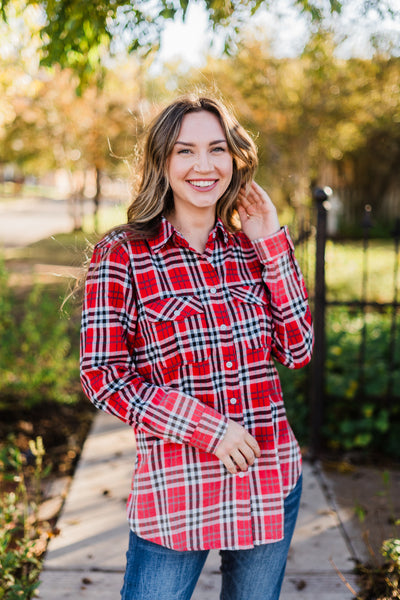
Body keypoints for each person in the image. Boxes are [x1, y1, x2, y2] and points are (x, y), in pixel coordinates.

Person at [80, 94, 314, 600]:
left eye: (217, 149)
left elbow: (298, 350)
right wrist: (210, 429)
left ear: (235, 158)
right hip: (177, 490)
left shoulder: (252, 249)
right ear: (163, 161)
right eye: (186, 151)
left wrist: (271, 240)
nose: (204, 166)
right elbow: (103, 376)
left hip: (267, 480)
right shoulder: (121, 255)